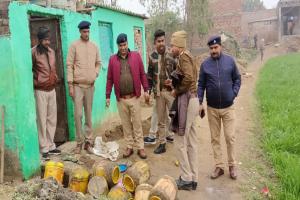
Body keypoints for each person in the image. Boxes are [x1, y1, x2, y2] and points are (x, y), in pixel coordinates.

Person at [198, 35, 241, 180]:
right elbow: (201, 85)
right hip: (212, 109)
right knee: (215, 138)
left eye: (215, 47)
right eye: (211, 48)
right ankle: (219, 166)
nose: (213, 50)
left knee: (230, 137)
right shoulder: (205, 65)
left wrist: (233, 93)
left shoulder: (230, 61)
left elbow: (237, 79)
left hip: (228, 108)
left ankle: (232, 165)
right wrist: (200, 102)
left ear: (220, 46)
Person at [105, 33, 149, 159]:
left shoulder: (136, 56)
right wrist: (107, 95)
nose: (123, 47)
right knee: (126, 125)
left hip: (134, 97)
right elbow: (109, 79)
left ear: (127, 44)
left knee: (137, 124)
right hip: (121, 100)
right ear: (117, 46)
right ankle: (129, 147)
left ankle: (140, 147)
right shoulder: (113, 59)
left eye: (124, 45)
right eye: (120, 45)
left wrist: (146, 89)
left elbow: (142, 74)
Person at [170, 30, 200, 191]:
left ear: (179, 45)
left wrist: (177, 90)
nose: (171, 47)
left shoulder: (183, 57)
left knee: (180, 140)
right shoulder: (187, 56)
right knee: (192, 142)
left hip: (187, 100)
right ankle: (194, 178)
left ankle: (186, 178)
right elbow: (189, 77)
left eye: (173, 45)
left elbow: (188, 78)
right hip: (193, 99)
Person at [67, 21, 101, 154]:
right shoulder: (74, 46)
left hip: (90, 86)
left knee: (88, 114)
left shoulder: (94, 46)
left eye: (88, 31)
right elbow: (69, 65)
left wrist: (95, 73)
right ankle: (79, 142)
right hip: (77, 86)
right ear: (80, 32)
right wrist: (70, 84)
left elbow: (98, 63)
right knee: (78, 115)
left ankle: (88, 141)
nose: (86, 34)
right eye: (84, 32)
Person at [144, 29, 177, 154]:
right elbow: (150, 76)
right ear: (155, 43)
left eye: (163, 40)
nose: (161, 43)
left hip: (171, 93)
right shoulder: (152, 57)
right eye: (158, 41)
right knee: (161, 121)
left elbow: (178, 72)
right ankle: (162, 144)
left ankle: (179, 142)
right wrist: (147, 90)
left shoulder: (171, 54)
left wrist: (174, 83)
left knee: (175, 117)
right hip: (158, 93)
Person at [32, 27, 61, 159]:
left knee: (51, 118)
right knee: (42, 119)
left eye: (48, 39)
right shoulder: (33, 52)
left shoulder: (51, 51)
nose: (47, 42)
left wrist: (54, 78)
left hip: (51, 89)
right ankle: (43, 148)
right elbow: (29, 70)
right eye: (45, 40)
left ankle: (50, 145)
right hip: (40, 90)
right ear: (39, 40)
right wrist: (36, 80)